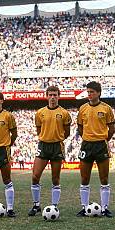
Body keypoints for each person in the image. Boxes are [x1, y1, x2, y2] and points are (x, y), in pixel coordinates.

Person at [28, 86, 71, 216]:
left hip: (57, 146)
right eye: (50, 95)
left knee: (55, 178)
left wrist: (56, 138)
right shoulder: (40, 113)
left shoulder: (64, 113)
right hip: (43, 146)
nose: (52, 97)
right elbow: (38, 131)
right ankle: (36, 205)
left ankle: (54, 206)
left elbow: (67, 132)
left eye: (55, 95)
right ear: (46, 96)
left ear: (59, 96)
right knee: (35, 176)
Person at [76, 81, 115, 217]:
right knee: (84, 178)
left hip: (101, 145)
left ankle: (105, 208)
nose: (89, 94)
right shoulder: (82, 109)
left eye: (92, 92)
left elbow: (112, 129)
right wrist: (88, 138)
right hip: (87, 145)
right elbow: (80, 128)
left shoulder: (106, 108)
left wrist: (103, 139)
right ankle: (84, 207)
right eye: (88, 92)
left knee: (104, 178)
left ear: (98, 93)